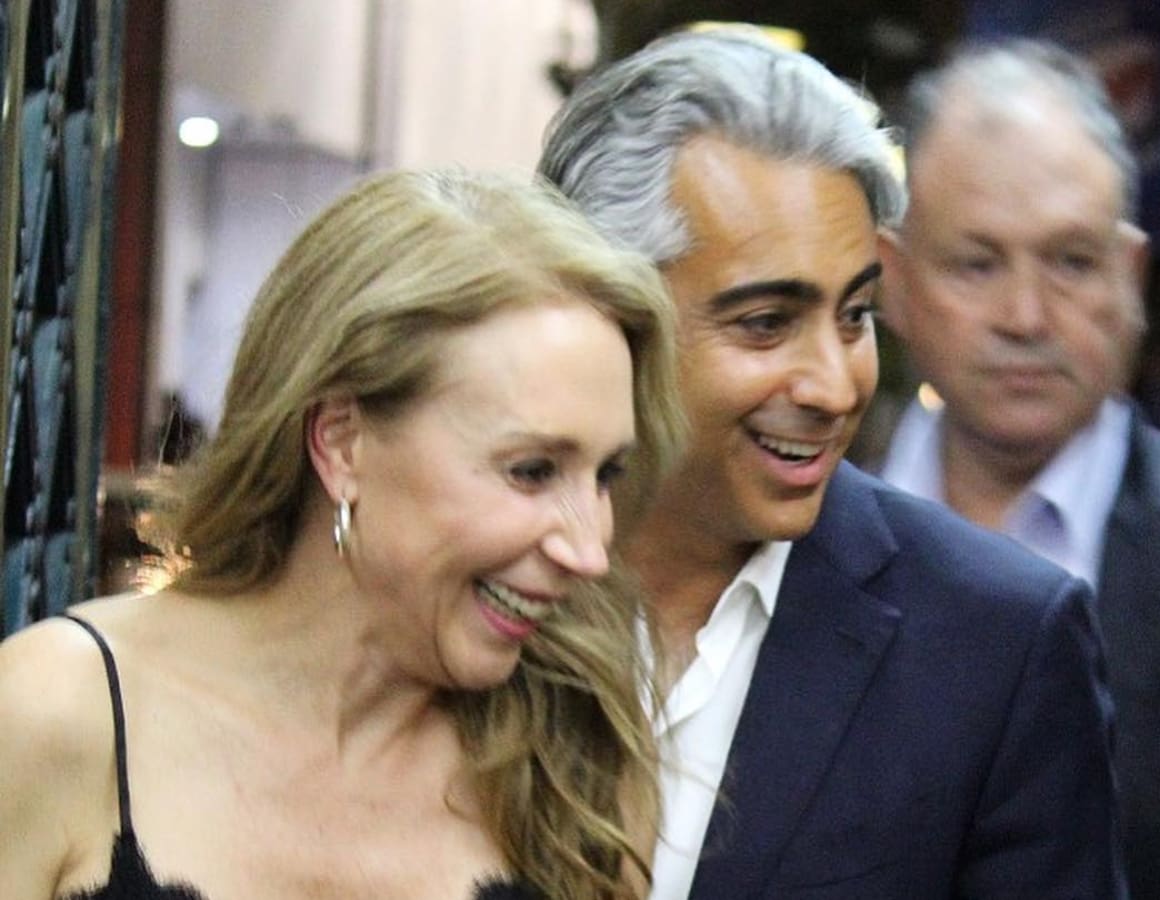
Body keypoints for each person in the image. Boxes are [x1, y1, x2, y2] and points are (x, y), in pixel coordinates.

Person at [539, 29, 1123, 900]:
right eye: (766, 323)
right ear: (605, 311)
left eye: (855, 316)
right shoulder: (468, 582)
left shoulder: (998, 648)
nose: (835, 384)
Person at [0, 169, 687, 900]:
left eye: (606, 475)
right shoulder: (55, 712)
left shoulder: (577, 766)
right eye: (532, 471)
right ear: (341, 442)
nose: (589, 552)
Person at [877, 38, 1160, 900]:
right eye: (977, 263)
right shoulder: (785, 540)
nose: (1025, 316)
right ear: (893, 280)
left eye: (1071, 262)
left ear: (1131, 278)